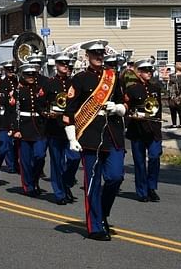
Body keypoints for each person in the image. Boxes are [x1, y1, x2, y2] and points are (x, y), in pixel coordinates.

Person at [63, 39, 127, 241]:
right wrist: (72, 138)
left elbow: (125, 105)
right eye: (95, 54)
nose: (99, 57)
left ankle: (103, 212)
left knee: (115, 177)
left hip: (113, 134)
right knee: (92, 182)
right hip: (90, 136)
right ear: (87, 56)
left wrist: (118, 108)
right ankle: (95, 226)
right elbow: (69, 112)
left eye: (101, 54)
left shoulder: (113, 77)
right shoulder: (80, 79)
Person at [124, 58, 164, 203]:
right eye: (146, 71)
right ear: (139, 73)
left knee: (154, 156)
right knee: (139, 162)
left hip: (153, 129)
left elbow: (158, 109)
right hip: (138, 130)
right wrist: (131, 118)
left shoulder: (155, 89)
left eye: (150, 70)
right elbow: (126, 109)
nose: (149, 73)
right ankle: (142, 191)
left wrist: (159, 127)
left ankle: (151, 187)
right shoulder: (132, 89)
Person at [45, 52, 80, 205]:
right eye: (62, 63)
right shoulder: (49, 83)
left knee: (74, 158)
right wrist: (47, 113)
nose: (65, 66)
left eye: (67, 64)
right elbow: (40, 103)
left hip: (71, 127)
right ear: (56, 65)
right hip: (55, 127)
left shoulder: (74, 83)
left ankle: (66, 183)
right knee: (57, 162)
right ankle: (59, 193)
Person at [12, 63, 49, 198]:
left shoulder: (41, 89)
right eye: (28, 74)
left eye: (33, 74)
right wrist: (16, 129)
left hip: (39, 127)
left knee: (40, 155)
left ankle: (35, 179)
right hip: (24, 127)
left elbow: (45, 105)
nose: (31, 77)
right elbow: (15, 111)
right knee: (26, 161)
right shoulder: (18, 91)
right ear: (23, 75)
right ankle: (28, 186)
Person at [0, 60, 19, 174]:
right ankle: (11, 164)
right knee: (8, 140)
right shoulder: (3, 83)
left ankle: (16, 163)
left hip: (17, 110)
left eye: (12, 70)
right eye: (8, 70)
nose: (10, 72)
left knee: (17, 140)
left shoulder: (17, 81)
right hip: (8, 111)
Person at [167, 62, 181, 129]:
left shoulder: (172, 76)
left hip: (173, 95)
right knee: (180, 110)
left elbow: (170, 85)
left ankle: (174, 124)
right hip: (180, 95)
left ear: (176, 67)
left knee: (173, 110)